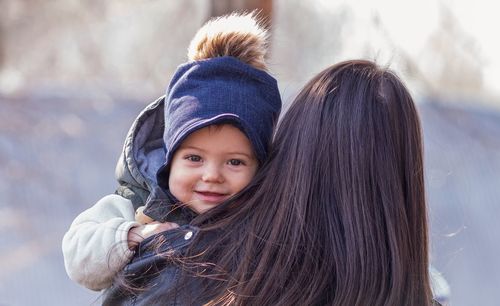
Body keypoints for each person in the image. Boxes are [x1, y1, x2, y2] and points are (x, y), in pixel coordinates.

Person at [103, 59, 444, 305]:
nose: (211, 175)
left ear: (291, 152)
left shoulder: (187, 262)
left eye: (235, 161)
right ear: (404, 188)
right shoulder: (421, 293)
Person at [61, 12, 281, 291]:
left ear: (259, 167)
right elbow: (78, 256)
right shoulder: (139, 205)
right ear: (169, 158)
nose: (212, 175)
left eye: (235, 162)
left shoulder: (265, 220)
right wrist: (135, 235)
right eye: (194, 158)